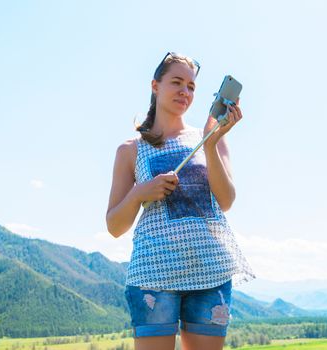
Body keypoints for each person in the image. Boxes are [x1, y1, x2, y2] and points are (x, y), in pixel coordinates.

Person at [106, 52, 255, 350]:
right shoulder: (130, 150)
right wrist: (140, 193)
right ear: (155, 86)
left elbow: (225, 201)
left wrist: (211, 145)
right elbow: (114, 225)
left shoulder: (210, 136)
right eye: (176, 82)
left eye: (191, 86)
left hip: (210, 272)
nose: (185, 92)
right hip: (153, 276)